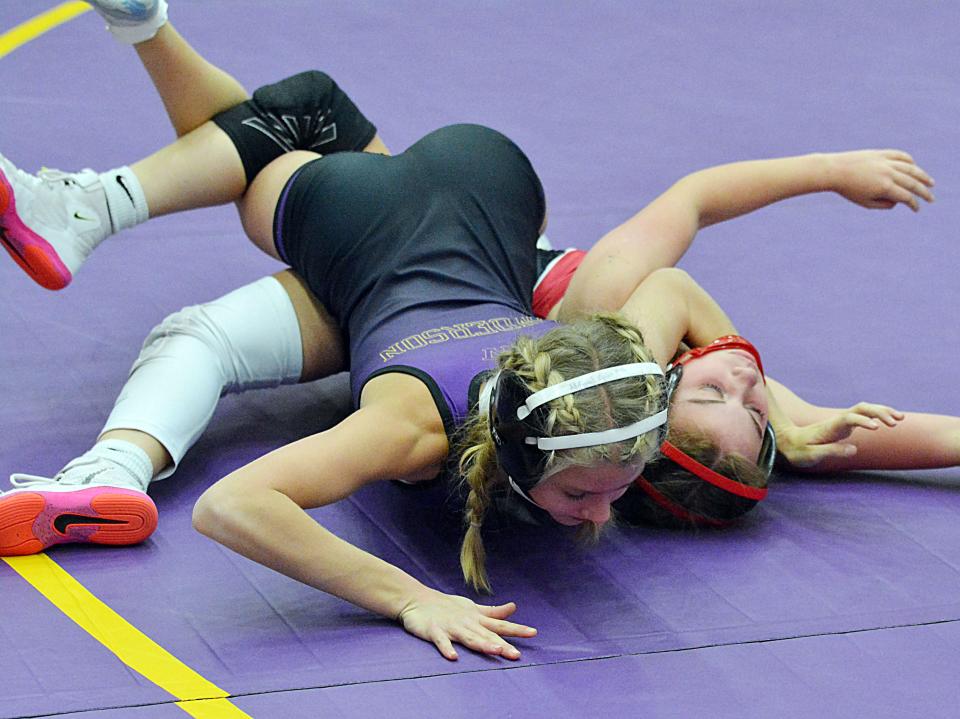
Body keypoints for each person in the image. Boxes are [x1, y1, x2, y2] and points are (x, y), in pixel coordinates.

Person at [0, 1, 680, 662]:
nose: (600, 515)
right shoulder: (417, 426)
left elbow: (676, 276)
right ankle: (95, 221)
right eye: (581, 493)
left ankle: (138, 45)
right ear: (521, 453)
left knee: (300, 113)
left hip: (497, 197)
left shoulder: (608, 388)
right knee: (204, 323)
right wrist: (407, 596)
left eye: (617, 487)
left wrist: (776, 412)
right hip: (364, 227)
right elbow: (230, 506)